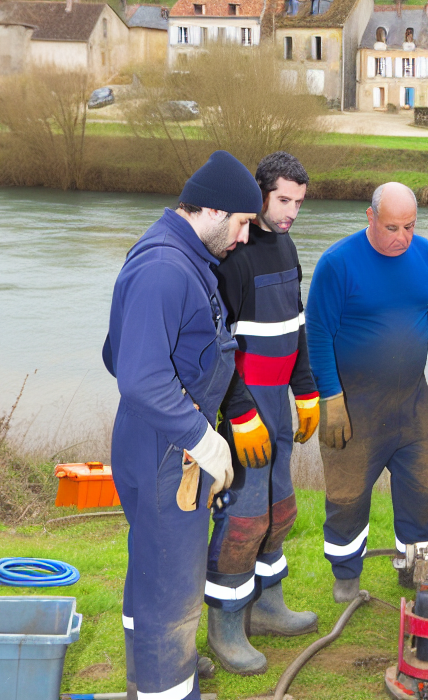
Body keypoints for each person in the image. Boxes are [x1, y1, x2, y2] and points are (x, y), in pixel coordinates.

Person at [104, 150, 263, 700]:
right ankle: (169, 689)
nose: (244, 238)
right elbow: (140, 378)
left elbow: (115, 355)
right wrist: (198, 435)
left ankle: (147, 678)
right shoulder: (165, 270)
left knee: (152, 571)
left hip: (161, 443)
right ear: (216, 210)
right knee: (171, 589)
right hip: (166, 452)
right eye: (243, 223)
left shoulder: (182, 256)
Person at [306, 181, 428, 601]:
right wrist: (330, 397)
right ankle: (346, 577)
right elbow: (317, 335)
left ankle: (416, 570)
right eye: (393, 227)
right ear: (370, 217)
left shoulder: (424, 254)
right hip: (354, 406)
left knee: (425, 492)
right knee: (347, 495)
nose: (403, 238)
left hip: (411, 402)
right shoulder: (337, 264)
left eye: (410, 226)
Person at [204, 152, 320, 675]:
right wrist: (239, 412)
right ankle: (227, 625)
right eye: (282, 200)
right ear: (260, 195)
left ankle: (267, 605)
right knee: (243, 518)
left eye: (298, 201)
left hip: (278, 404)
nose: (291, 211)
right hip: (243, 407)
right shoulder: (234, 255)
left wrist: (307, 388)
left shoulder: (289, 245)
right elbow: (215, 345)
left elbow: (295, 327)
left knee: (280, 510)